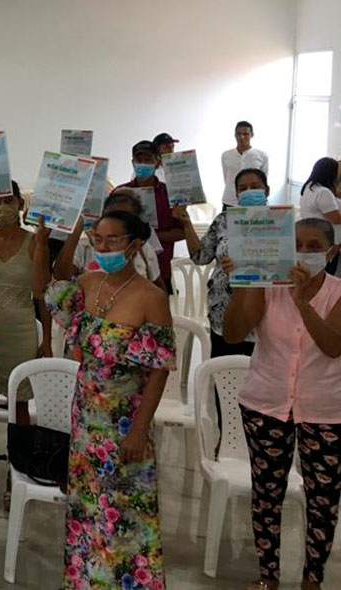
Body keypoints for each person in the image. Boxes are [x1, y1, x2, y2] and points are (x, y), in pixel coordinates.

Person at [37, 211, 176, 590]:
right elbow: (50, 285)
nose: (103, 247)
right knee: (88, 515)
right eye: (97, 238)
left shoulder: (151, 298)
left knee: (125, 519)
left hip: (126, 424)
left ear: (133, 245)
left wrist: (140, 430)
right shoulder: (88, 282)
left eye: (113, 240)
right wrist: (68, 231)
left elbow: (159, 370)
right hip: (86, 423)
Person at [222, 218, 341, 590]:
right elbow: (232, 333)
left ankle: (312, 579)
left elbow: (333, 346)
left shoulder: (338, 292)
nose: (304, 253)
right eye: (296, 245)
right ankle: (267, 576)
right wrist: (244, 281)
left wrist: (303, 302)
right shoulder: (267, 288)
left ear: (332, 252)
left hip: (326, 411)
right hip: (266, 404)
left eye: (313, 245)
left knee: (322, 501)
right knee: (266, 494)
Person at [0, 181, 52, 512]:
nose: (2, 206)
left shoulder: (33, 241)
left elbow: (40, 291)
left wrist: (47, 338)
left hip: (20, 328)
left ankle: (16, 473)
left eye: (8, 199)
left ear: (21, 202)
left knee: (19, 405)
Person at [173, 168, 267, 358]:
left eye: (255, 186)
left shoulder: (281, 223)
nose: (249, 191)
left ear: (267, 190)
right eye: (243, 188)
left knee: (260, 378)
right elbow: (200, 257)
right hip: (223, 312)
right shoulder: (224, 220)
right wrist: (186, 222)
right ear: (237, 193)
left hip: (266, 316)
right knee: (224, 379)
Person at [53, 191, 163, 285]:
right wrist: (75, 232)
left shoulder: (144, 249)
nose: (103, 248)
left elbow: (158, 287)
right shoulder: (85, 247)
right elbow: (61, 276)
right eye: (112, 217)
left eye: (125, 219)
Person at [117, 140, 184, 291]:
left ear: (158, 163)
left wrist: (151, 238)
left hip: (161, 270)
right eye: (139, 160)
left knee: (159, 312)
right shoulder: (120, 193)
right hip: (125, 271)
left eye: (148, 160)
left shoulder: (171, 195)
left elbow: (182, 231)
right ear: (132, 162)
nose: (143, 164)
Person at [221, 121, 270, 208]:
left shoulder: (262, 156)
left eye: (245, 134)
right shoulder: (226, 155)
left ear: (252, 135)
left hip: (253, 202)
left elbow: (263, 180)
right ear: (235, 135)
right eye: (238, 134)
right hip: (230, 201)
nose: (242, 137)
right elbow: (227, 178)